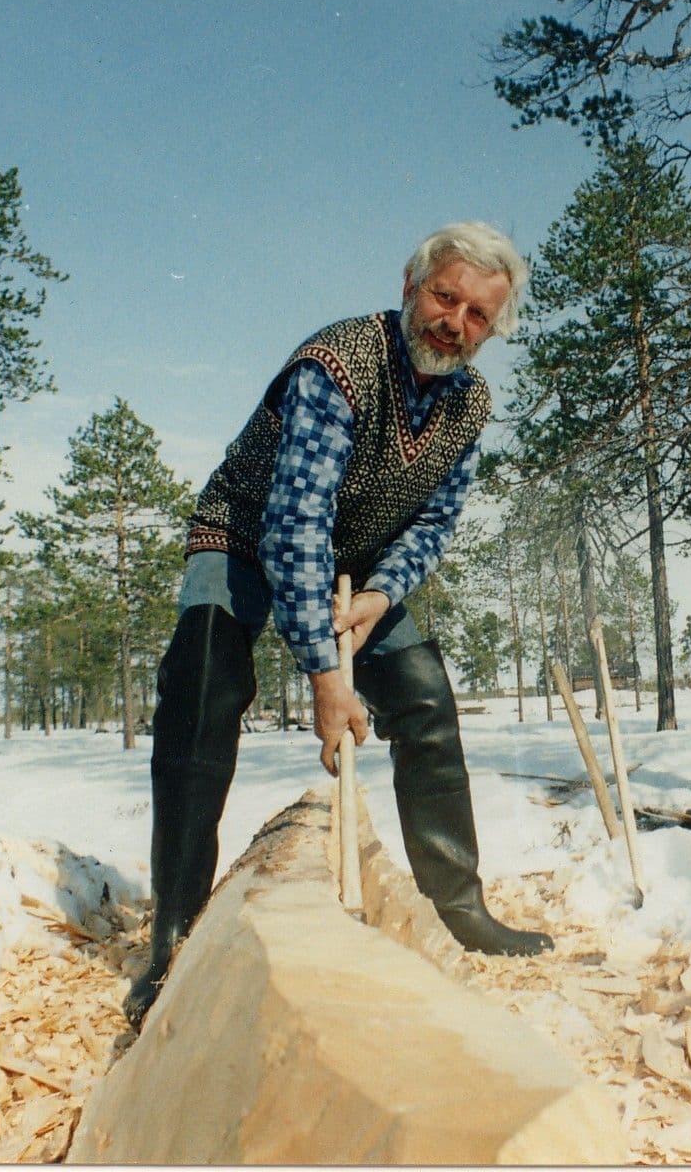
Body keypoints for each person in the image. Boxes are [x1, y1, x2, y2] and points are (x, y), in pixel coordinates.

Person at [124, 222, 553, 1031]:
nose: (454, 323)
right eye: (443, 296)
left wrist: (380, 597)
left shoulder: (472, 401)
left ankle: (457, 907)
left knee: (426, 700)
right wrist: (326, 679)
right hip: (249, 538)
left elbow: (435, 523)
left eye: (477, 316)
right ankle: (172, 934)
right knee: (201, 690)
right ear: (409, 284)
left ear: (494, 328)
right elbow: (295, 526)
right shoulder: (338, 364)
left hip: (360, 564)